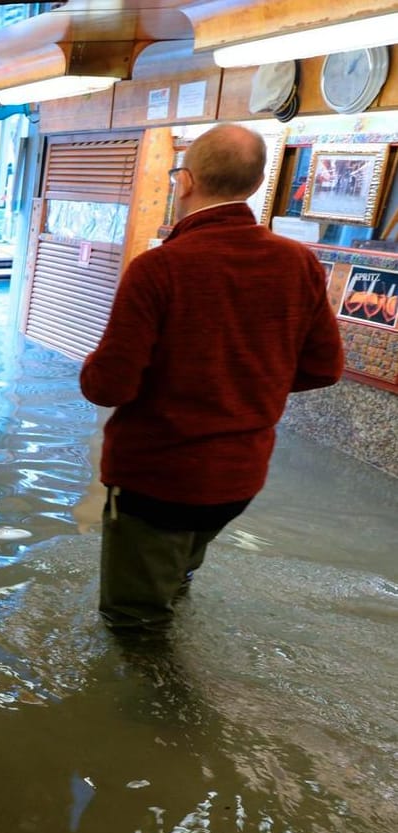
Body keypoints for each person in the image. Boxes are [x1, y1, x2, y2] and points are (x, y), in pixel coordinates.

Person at [80, 123, 344, 634]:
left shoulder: (161, 268)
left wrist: (96, 363)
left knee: (133, 623)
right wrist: (244, 384)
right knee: (176, 581)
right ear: (256, 183)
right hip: (238, 479)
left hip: (159, 478)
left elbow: (109, 387)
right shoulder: (300, 263)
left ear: (184, 181)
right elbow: (323, 368)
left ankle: (156, 712)